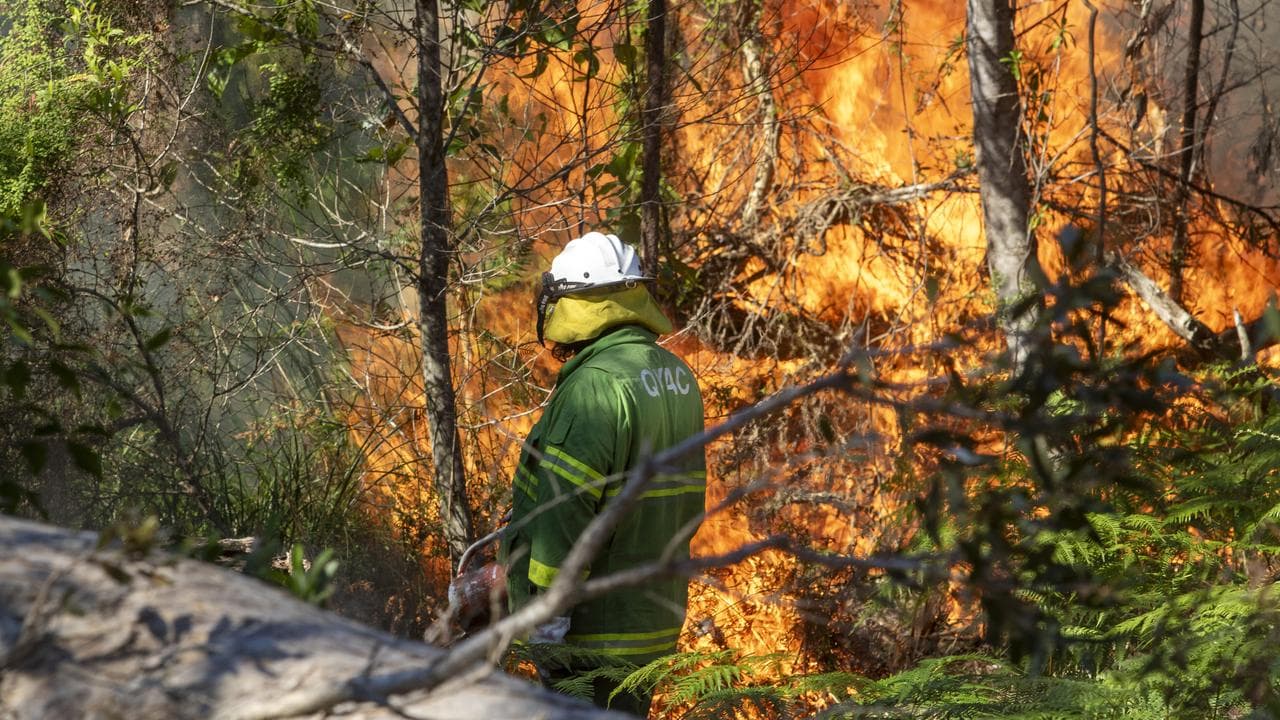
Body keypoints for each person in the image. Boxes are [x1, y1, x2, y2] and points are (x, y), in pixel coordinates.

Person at [499, 231, 707, 715]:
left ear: (575, 303)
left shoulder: (596, 386)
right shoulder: (676, 376)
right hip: (650, 620)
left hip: (591, 632)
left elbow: (565, 514)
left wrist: (548, 621)